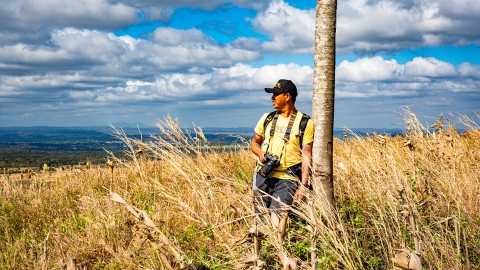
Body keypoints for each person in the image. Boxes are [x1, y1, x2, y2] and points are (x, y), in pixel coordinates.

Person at [250, 79, 314, 225]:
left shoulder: (304, 122)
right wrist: (261, 154)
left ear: (287, 96)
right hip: (263, 175)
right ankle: (260, 245)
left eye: (275, 94)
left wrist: (303, 186)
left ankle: (278, 246)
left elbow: (306, 155)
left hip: (288, 178)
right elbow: (254, 143)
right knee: (259, 220)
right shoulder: (268, 118)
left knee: (276, 220)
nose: (272, 97)